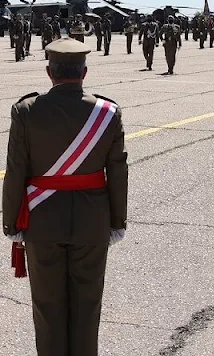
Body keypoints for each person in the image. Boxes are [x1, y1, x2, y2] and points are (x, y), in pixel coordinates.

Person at [3, 37, 128, 356]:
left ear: (49, 72)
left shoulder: (27, 111)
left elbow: (16, 169)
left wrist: (10, 222)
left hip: (42, 223)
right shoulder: (107, 112)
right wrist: (117, 222)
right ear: (84, 73)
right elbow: (117, 171)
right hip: (91, 224)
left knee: (48, 311)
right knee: (87, 310)